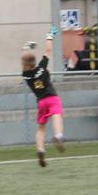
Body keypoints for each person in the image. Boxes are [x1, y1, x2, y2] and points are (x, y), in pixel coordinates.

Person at [21, 27, 66, 167]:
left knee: (41, 128)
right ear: (34, 63)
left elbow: (25, 60)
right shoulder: (41, 68)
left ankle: (40, 150)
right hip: (52, 98)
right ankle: (58, 136)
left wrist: (26, 47)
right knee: (57, 115)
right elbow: (47, 51)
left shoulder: (26, 75)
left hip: (41, 102)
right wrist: (49, 36)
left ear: (24, 65)